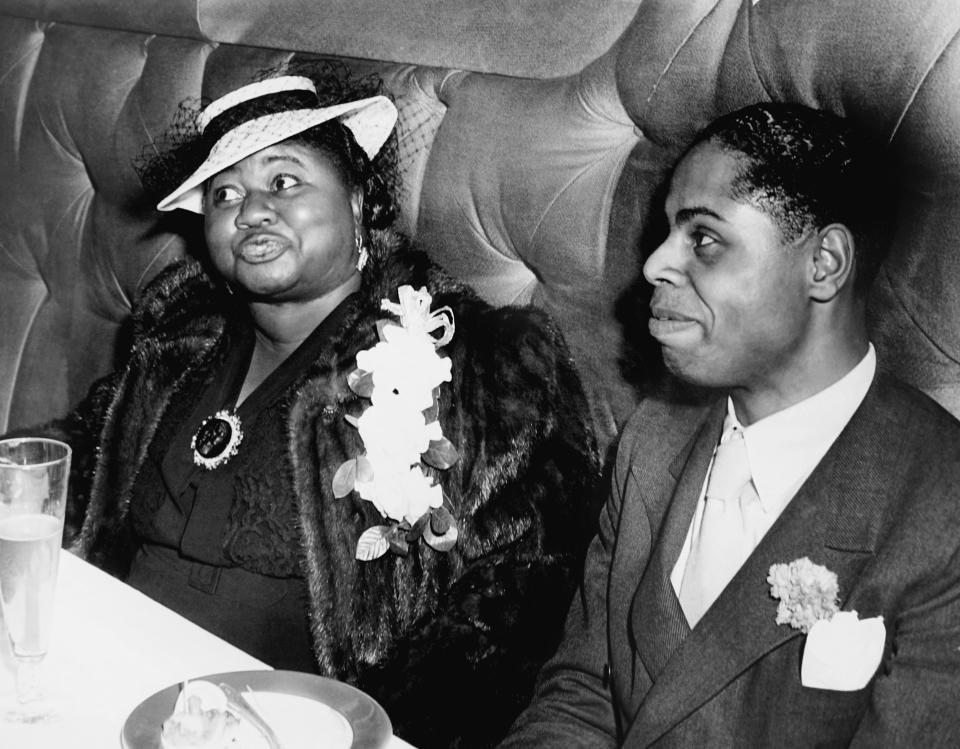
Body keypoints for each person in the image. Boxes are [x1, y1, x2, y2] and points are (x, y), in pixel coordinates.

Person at [23, 64, 601, 748]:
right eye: (225, 194)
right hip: (106, 693)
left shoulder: (477, 367)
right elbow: (62, 463)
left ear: (357, 199)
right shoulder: (177, 342)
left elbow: (512, 619)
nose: (252, 208)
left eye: (284, 180)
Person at [500, 102, 960, 747]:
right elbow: (582, 694)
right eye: (666, 234)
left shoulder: (942, 507)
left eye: (705, 239)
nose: (656, 264)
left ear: (823, 263)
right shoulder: (652, 436)